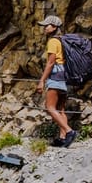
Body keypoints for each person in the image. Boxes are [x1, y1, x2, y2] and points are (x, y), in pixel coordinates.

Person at [36, 15, 78, 148]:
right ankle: (62, 138)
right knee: (60, 110)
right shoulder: (62, 41)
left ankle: (69, 131)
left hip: (55, 76)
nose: (44, 28)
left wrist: (41, 81)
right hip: (64, 76)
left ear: (54, 27)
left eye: (47, 25)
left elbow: (50, 63)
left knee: (50, 107)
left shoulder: (53, 42)